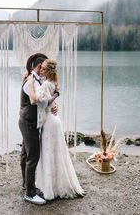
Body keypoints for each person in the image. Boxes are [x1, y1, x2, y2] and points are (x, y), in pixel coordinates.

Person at [28, 59, 85, 200]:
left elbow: (40, 103)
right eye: (41, 69)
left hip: (50, 122)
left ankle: (51, 188)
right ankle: (56, 184)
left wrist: (30, 85)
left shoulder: (47, 84)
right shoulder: (53, 83)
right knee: (56, 152)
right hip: (55, 120)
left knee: (49, 153)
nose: (41, 71)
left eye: (44, 69)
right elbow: (50, 100)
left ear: (49, 71)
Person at [18, 53, 58, 205]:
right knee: (33, 156)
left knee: (25, 154)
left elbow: (45, 99)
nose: (44, 72)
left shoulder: (37, 80)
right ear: (40, 66)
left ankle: (26, 183)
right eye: (44, 68)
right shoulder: (31, 82)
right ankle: (30, 193)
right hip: (28, 122)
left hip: (28, 121)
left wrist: (53, 104)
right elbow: (36, 102)